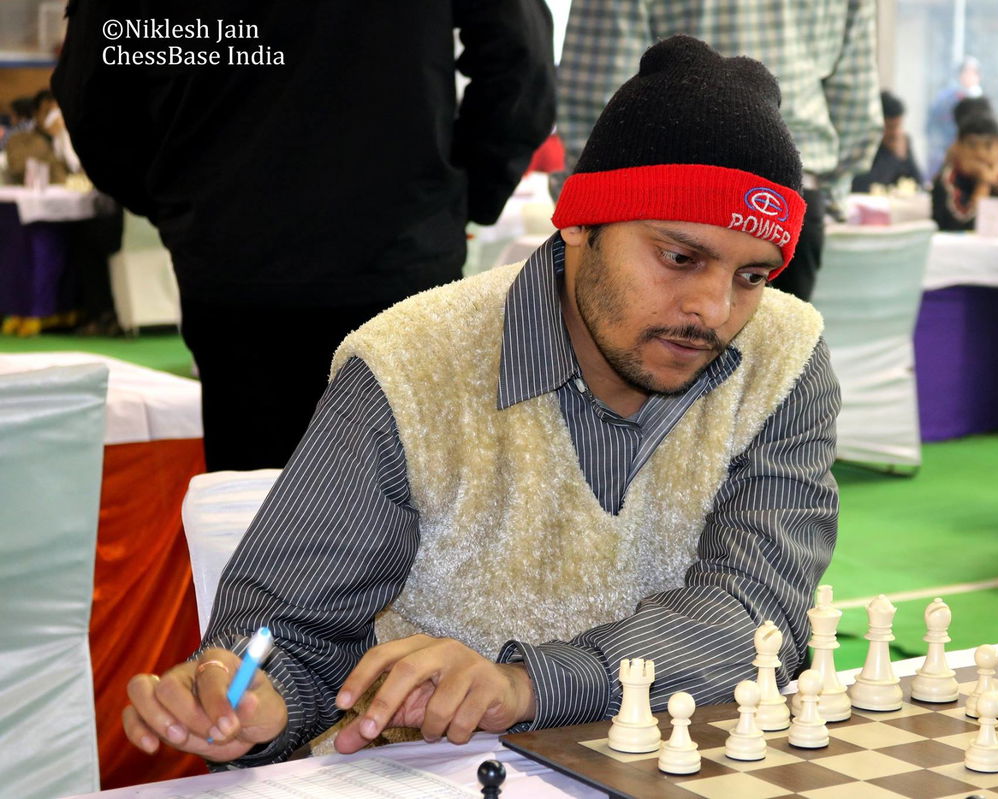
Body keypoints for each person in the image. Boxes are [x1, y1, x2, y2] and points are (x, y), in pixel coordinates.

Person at [120, 35, 840, 770]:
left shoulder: (783, 357)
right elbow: (289, 636)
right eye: (680, 257)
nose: (713, 310)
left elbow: (756, 615)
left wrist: (525, 685)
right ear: (579, 221)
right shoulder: (412, 364)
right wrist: (255, 699)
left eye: (752, 276)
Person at [52, 1, 556, 471]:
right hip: (391, 246)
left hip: (238, 257)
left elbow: (92, 91)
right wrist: (463, 196)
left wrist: (182, 204)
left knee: (253, 506)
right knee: (408, 499)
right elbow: (520, 56)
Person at [553, 0, 882, 302]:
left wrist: (582, 202)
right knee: (772, 345)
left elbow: (595, 84)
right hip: (789, 201)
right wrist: (828, 194)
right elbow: (854, 96)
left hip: (663, 191)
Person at [931, 113, 998, 231]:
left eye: (988, 146)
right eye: (972, 145)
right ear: (958, 147)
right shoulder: (947, 179)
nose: (980, 153)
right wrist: (983, 184)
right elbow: (961, 226)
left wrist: (994, 184)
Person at [851, 90, 923, 192]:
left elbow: (918, 183)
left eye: (898, 126)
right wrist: (893, 156)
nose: (895, 132)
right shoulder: (864, 142)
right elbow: (863, 185)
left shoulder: (902, 141)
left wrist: (903, 157)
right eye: (890, 127)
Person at [927, 56, 982, 175]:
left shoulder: (980, 101)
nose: (970, 77)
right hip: (946, 147)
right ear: (960, 75)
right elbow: (933, 124)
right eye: (967, 72)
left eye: (974, 73)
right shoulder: (946, 99)